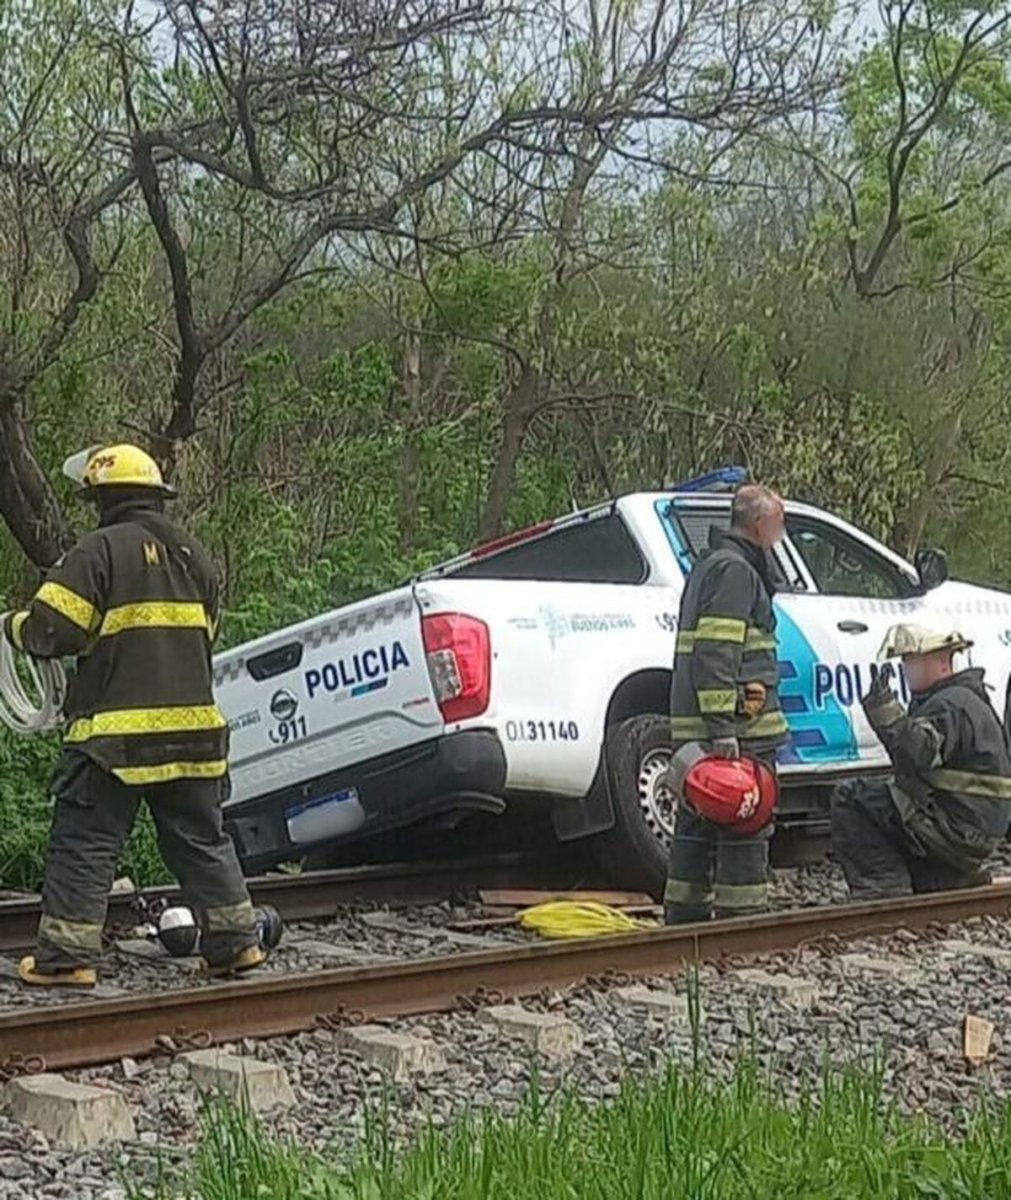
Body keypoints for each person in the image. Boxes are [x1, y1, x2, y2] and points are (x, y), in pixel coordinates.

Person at [3, 444, 265, 986]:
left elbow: (53, 632)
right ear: (155, 497)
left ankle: (67, 957)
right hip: (195, 737)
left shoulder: (96, 553)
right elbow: (203, 635)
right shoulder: (197, 556)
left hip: (113, 743)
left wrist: (12, 627)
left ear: (101, 497)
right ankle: (237, 943)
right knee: (201, 839)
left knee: (84, 840)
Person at [664, 484, 790, 923]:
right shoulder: (736, 571)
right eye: (778, 524)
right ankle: (743, 926)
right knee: (745, 815)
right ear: (760, 525)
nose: (780, 533)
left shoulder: (711, 566)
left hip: (704, 726)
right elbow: (718, 650)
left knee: (698, 820)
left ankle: (685, 920)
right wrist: (723, 728)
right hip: (738, 728)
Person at [831, 624, 1011, 899]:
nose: (907, 669)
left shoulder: (949, 704)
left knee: (851, 797)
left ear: (941, 661)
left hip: (959, 830)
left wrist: (886, 711)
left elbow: (919, 753)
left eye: (913, 661)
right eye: (905, 662)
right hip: (971, 828)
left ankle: (883, 890)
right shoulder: (966, 698)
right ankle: (943, 878)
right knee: (890, 798)